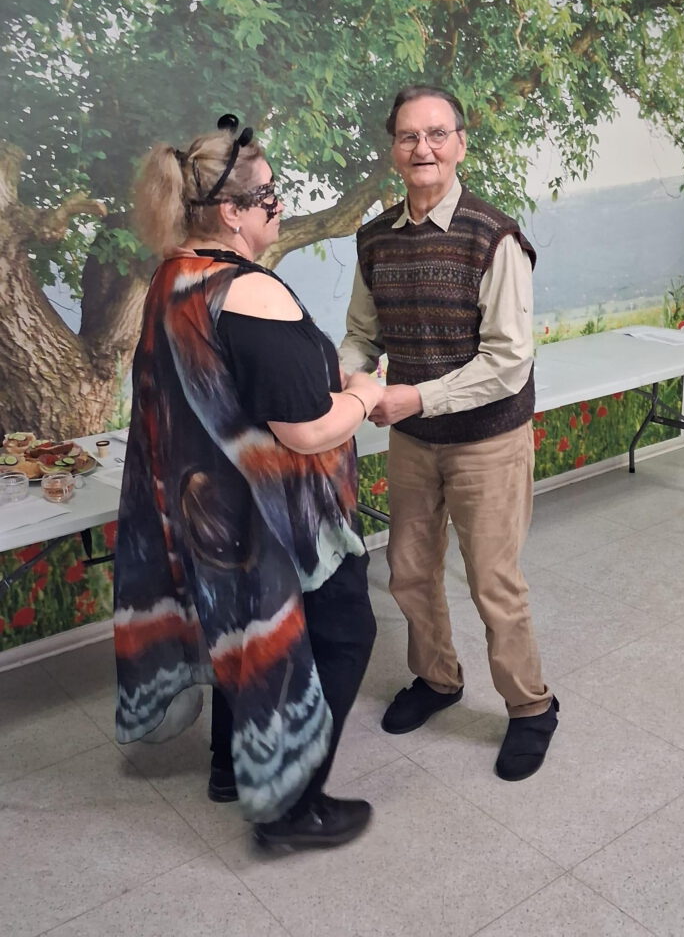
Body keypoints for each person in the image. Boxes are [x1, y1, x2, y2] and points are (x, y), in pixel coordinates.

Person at [114, 114, 383, 849]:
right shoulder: (250, 292)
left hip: (209, 515)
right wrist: (365, 396)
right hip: (276, 519)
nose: (279, 206)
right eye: (269, 195)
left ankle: (231, 770)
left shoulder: (173, 276)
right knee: (342, 631)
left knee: (236, 629)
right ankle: (292, 807)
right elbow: (305, 430)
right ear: (231, 213)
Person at [339, 85, 558, 781]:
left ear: (461, 143)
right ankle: (437, 679)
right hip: (414, 439)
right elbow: (361, 334)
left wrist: (415, 398)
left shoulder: (494, 237)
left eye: (437, 134)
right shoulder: (374, 238)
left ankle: (531, 707)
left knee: (493, 582)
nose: (423, 148)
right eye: (409, 136)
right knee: (408, 571)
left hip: (487, 439)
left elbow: (508, 361)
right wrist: (350, 381)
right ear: (393, 150)